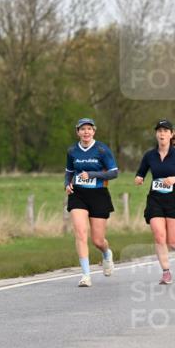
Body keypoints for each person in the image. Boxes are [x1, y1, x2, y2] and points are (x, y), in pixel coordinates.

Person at [135, 120, 175, 284]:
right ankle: (166, 272)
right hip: (155, 200)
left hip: (173, 201)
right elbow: (141, 173)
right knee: (160, 237)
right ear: (156, 134)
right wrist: (139, 178)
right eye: (159, 131)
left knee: (172, 241)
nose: (162, 134)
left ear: (170, 134)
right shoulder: (149, 155)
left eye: (165, 131)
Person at [65, 118, 118, 287]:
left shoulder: (102, 149)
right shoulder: (72, 150)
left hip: (98, 194)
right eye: (83, 129)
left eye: (89, 129)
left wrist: (93, 175)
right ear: (78, 132)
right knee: (80, 233)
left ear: (94, 131)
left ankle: (106, 253)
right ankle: (86, 275)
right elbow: (69, 171)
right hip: (78, 194)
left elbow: (114, 173)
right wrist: (67, 184)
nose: (86, 132)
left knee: (97, 240)